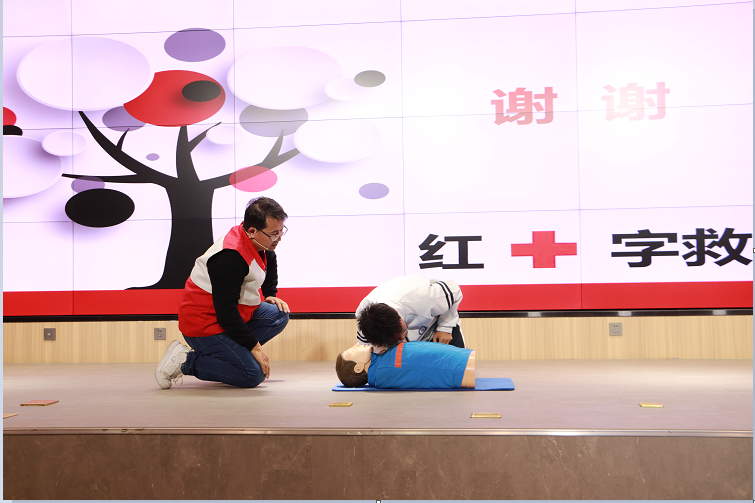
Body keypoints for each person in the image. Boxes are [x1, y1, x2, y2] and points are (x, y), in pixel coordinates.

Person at [155, 197, 291, 389]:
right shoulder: (230, 256)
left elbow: (269, 257)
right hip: (205, 326)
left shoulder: (260, 241)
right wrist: (254, 346)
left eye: (281, 232)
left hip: (229, 316)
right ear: (253, 231)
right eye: (274, 234)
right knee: (253, 374)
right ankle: (185, 360)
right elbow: (226, 313)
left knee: (278, 314)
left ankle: (233, 358)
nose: (279, 239)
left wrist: (270, 293)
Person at [356, 275, 465, 353]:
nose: (403, 337)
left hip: (436, 326)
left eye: (403, 332)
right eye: (398, 338)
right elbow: (365, 350)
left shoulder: (422, 297)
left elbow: (455, 290)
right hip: (409, 344)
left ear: (396, 312)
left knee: (459, 368)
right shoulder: (366, 320)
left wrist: (445, 327)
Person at [335, 342, 476, 389]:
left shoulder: (381, 360)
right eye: (352, 350)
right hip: (459, 368)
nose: (356, 344)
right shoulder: (384, 372)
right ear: (358, 368)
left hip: (459, 360)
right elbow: (425, 369)